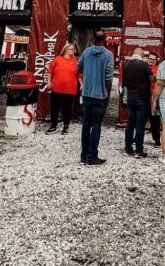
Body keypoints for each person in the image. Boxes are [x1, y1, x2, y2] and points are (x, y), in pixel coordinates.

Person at [77, 32, 114, 166]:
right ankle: (92, 157)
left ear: (93, 39)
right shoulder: (108, 55)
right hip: (100, 95)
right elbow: (109, 78)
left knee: (86, 125)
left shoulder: (86, 52)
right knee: (96, 125)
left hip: (86, 93)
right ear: (105, 39)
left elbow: (78, 66)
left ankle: (83, 155)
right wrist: (108, 94)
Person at [122, 48, 152, 158]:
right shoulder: (144, 65)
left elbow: (124, 84)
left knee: (130, 124)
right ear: (142, 54)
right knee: (140, 126)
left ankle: (128, 148)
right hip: (142, 99)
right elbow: (150, 79)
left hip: (131, 99)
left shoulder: (126, 66)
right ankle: (139, 151)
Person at [45, 43, 79, 135]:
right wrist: (48, 82)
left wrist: (82, 84)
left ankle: (66, 127)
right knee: (55, 108)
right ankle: (53, 126)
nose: (73, 51)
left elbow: (79, 74)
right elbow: (50, 71)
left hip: (70, 89)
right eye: (71, 49)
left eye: (73, 49)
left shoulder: (76, 60)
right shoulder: (57, 59)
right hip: (56, 88)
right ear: (65, 50)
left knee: (67, 109)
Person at [147, 53, 162, 147]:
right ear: (147, 59)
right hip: (144, 98)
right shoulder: (143, 68)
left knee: (155, 119)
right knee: (141, 119)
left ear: (156, 61)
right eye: (150, 59)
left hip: (154, 98)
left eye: (153, 59)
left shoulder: (158, 70)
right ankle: (136, 138)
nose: (151, 61)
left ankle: (157, 139)